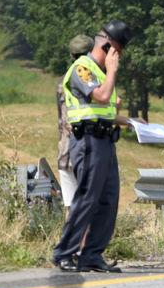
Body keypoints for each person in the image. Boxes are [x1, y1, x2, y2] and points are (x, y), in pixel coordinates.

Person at [52, 19, 140, 272]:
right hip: (88, 141)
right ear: (108, 47)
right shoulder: (83, 68)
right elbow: (99, 96)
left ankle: (92, 255)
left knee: (108, 199)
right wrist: (112, 70)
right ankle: (64, 253)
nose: (118, 58)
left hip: (105, 140)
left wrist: (131, 122)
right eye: (117, 53)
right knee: (87, 198)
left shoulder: (100, 74)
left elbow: (104, 110)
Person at [56, 34, 95, 216]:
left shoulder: (63, 81)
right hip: (81, 150)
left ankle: (71, 242)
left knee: (70, 210)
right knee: (87, 208)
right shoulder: (84, 77)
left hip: (65, 152)